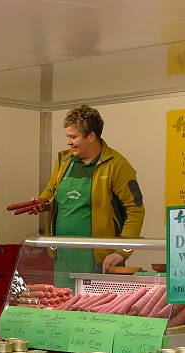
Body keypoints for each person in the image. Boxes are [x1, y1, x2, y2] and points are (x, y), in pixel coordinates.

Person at [32, 105, 145, 286]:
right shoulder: (64, 161)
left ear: (91, 136)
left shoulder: (117, 165)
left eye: (73, 137)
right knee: (63, 303)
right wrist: (42, 202)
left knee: (96, 305)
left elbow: (135, 210)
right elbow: (52, 192)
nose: (68, 142)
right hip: (63, 256)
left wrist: (122, 252)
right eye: (67, 136)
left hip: (101, 260)